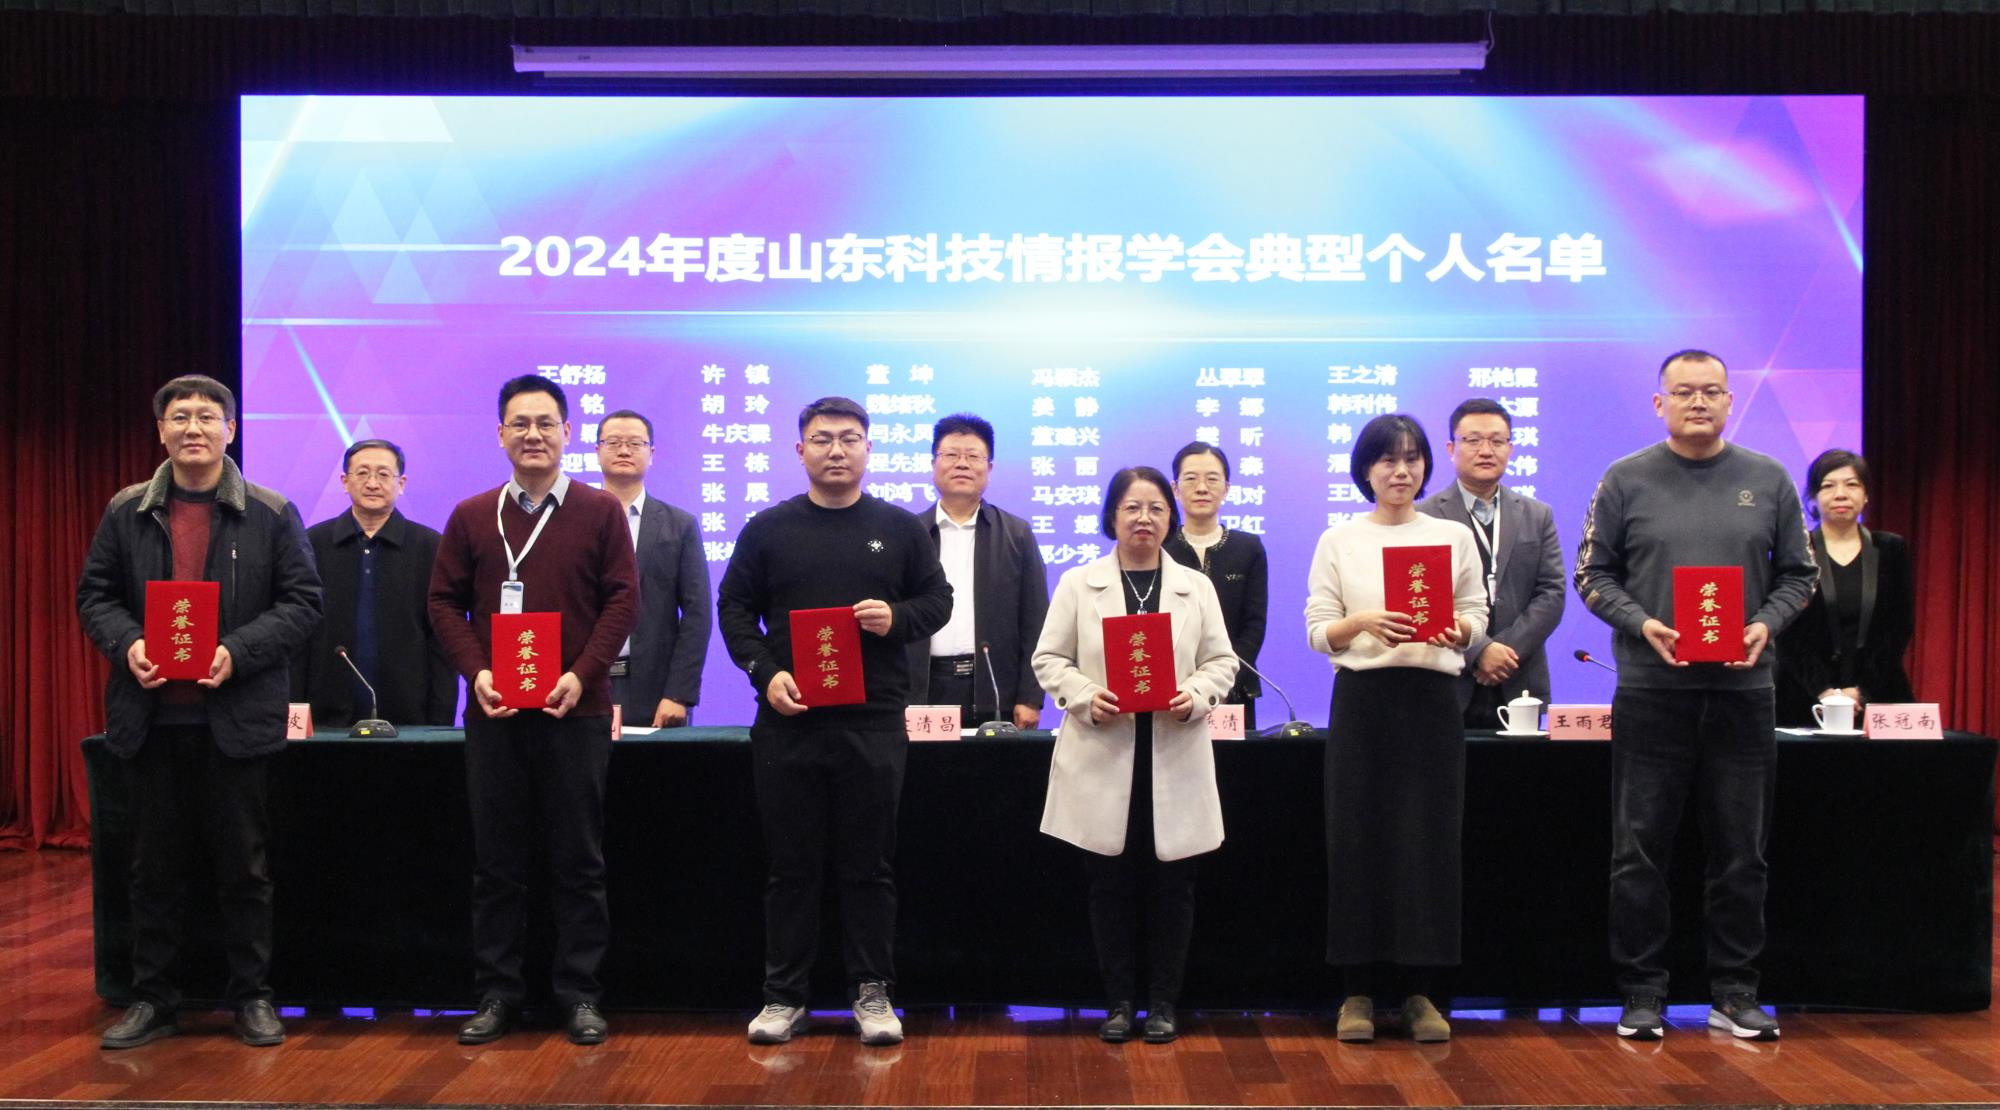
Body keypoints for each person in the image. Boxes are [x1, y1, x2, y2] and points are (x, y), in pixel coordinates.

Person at [1575, 349, 1817, 1042]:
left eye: (1712, 391)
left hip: (1744, 692)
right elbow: (1593, 575)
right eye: (1684, 392)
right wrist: (1641, 623)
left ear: (1730, 401)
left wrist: (1764, 624)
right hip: (1652, 692)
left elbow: (1800, 576)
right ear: (1660, 404)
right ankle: (1641, 992)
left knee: (1742, 852)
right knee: (1638, 851)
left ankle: (1735, 992)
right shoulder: (1625, 478)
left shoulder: (1768, 478)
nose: (1699, 402)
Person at [76, 374, 323, 1049]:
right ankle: (153, 999)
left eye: (207, 416)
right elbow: (95, 595)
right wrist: (127, 644)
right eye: (179, 416)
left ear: (230, 430)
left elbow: (303, 601)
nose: (193, 427)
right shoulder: (126, 510)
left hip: (237, 721)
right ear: (161, 431)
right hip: (151, 721)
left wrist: (236, 653)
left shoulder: (270, 511)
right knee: (151, 871)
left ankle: (252, 998)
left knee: (244, 868)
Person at [717, 397, 952, 1047]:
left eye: (850, 438)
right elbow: (734, 609)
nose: (837, 450)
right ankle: (783, 996)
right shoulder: (768, 529)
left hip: (873, 723)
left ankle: (872, 992)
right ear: (801, 451)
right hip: (788, 722)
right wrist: (765, 673)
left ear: (869, 448)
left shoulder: (899, 529)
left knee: (868, 865)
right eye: (822, 439)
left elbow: (938, 600)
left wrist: (896, 619)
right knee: (790, 866)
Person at [427, 375, 639, 1046]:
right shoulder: (471, 514)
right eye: (519, 424)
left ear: (567, 433)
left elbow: (623, 601)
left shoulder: (600, 512)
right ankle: (498, 993)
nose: (533, 435)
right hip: (495, 713)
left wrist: (582, 675)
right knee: (497, 863)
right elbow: (442, 602)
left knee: (579, 860)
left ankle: (580, 995)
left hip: (576, 713)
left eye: (546, 423)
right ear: (500, 435)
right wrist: (478, 672)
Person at [1035, 465, 1237, 1045]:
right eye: (1132, 508)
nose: (1144, 519)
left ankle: (1165, 1003)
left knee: (1174, 887)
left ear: (1170, 518)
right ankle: (1120, 1003)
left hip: (1173, 749)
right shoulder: (1079, 583)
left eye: (1155, 508)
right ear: (1112, 516)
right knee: (1110, 887)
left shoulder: (1195, 586)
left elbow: (1221, 661)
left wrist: (1196, 695)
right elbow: (1049, 659)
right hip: (1105, 749)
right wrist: (1083, 696)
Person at [1306, 413, 1485, 1045]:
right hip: (1363, 701)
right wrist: (1362, 623)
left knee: (1426, 841)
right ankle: (1356, 992)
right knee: (1356, 838)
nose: (1401, 471)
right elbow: (1317, 629)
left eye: (1412, 459)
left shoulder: (1451, 536)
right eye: (1387, 459)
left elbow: (1476, 613)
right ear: (1365, 470)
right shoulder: (1339, 539)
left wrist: (1459, 630)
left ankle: (1420, 993)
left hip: (1432, 701)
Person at [1415, 399, 1567, 728]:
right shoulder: (1425, 516)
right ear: (1451, 448)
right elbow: (1425, 601)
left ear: (1510, 448)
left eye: (1497, 441)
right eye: (1473, 440)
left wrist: (1505, 651)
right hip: (1450, 677)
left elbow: (1552, 594)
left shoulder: (1537, 515)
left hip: (1518, 676)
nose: (1486, 450)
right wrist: (1479, 651)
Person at [294, 438, 457, 727]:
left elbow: (442, 641)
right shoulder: (313, 543)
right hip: (325, 719)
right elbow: (298, 636)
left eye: (383, 474)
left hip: (409, 718)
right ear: (345, 482)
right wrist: (294, 712)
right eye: (362, 473)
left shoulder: (430, 547)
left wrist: (440, 721)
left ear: (401, 483)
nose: (372, 483)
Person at [907, 412, 1049, 731]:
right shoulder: (909, 533)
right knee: (926, 765)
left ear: (990, 468)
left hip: (994, 690)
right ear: (933, 464)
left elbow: (1036, 620)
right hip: (923, 690)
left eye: (973, 456)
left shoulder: (1016, 534)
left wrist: (1030, 697)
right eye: (951, 455)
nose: (962, 464)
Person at [1775, 450, 1915, 726]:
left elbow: (1899, 626)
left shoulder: (1891, 548)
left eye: (1852, 485)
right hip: (1804, 697)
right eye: (1828, 486)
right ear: (1813, 498)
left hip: (1878, 693)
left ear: (1866, 495)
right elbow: (1786, 632)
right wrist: (1825, 692)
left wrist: (1861, 692)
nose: (1841, 494)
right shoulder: (1794, 551)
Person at [595, 409, 711, 728]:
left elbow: (697, 614)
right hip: (584, 686)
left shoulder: (679, 525)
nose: (624, 450)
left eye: (635, 443)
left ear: (652, 453)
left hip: (657, 691)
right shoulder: (572, 522)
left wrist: (679, 694)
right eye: (613, 442)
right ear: (597, 451)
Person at [1163, 442, 1269, 729]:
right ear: (1175, 489)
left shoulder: (1249, 548)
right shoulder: (1161, 549)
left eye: (1212, 479)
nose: (1201, 488)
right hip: (1172, 695)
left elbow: (1253, 625)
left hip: (1234, 688)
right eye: (1190, 479)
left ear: (1227, 488)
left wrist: (1221, 679)